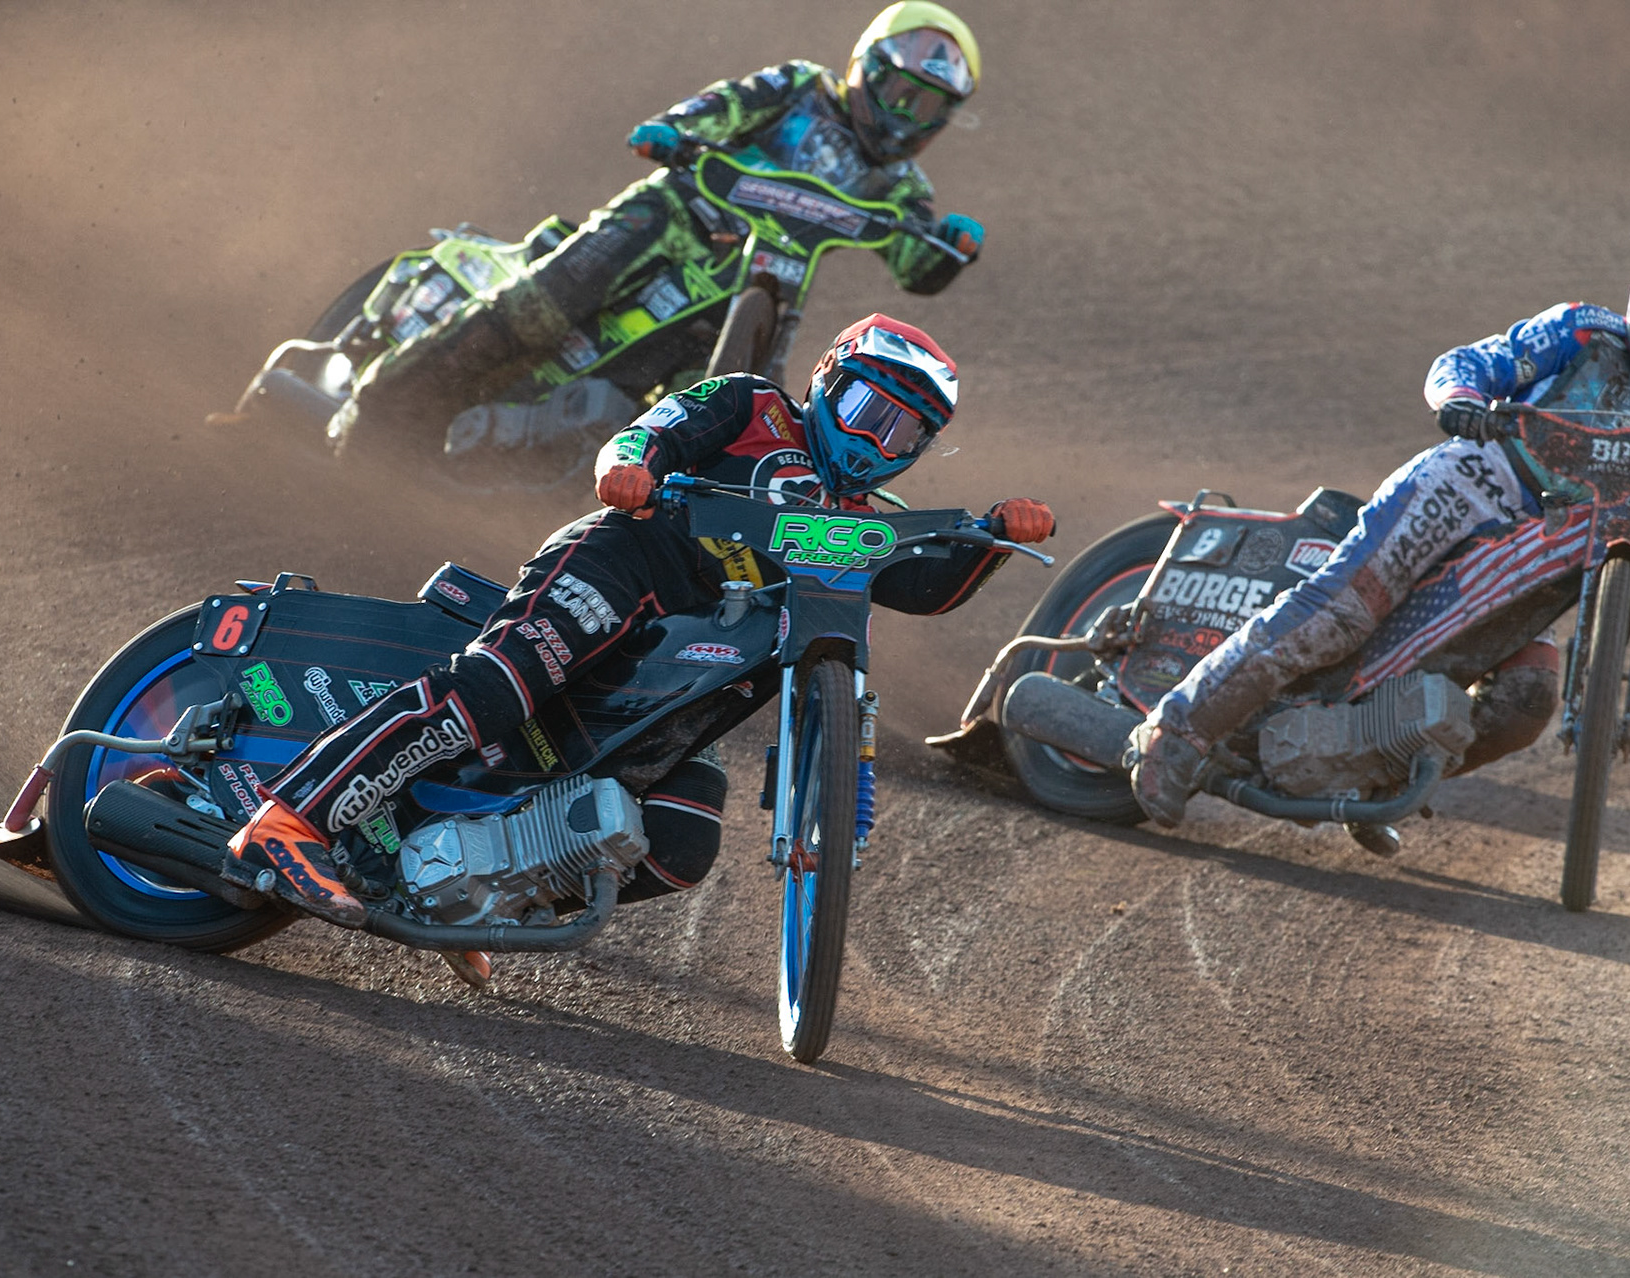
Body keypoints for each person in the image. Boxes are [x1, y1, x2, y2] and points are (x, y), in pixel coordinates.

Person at [224, 315, 1054, 978]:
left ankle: (470, 898)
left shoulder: (859, 526)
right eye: (870, 413)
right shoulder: (752, 404)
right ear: (826, 384)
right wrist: (630, 467)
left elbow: (922, 588)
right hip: (622, 566)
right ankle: (291, 813)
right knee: (504, 683)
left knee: (683, 839)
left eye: (904, 438)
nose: (878, 445)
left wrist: (990, 539)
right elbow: (649, 433)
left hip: (681, 671)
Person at [1127, 228, 1630, 841]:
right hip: (1474, 483)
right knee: (1341, 612)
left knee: (1529, 699)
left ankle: (1376, 779)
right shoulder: (1585, 333)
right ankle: (1174, 733)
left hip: (1556, 551)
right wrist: (1464, 403)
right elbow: (1468, 364)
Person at [328, 2, 987, 449]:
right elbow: (727, 103)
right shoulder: (801, 89)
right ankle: (386, 403)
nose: (906, 114)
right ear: (864, 68)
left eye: (927, 107)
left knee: (711, 413)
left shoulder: (899, 187)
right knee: (546, 304)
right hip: (673, 219)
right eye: (900, 92)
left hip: (755, 284)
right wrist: (676, 129)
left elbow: (917, 263)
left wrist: (950, 247)